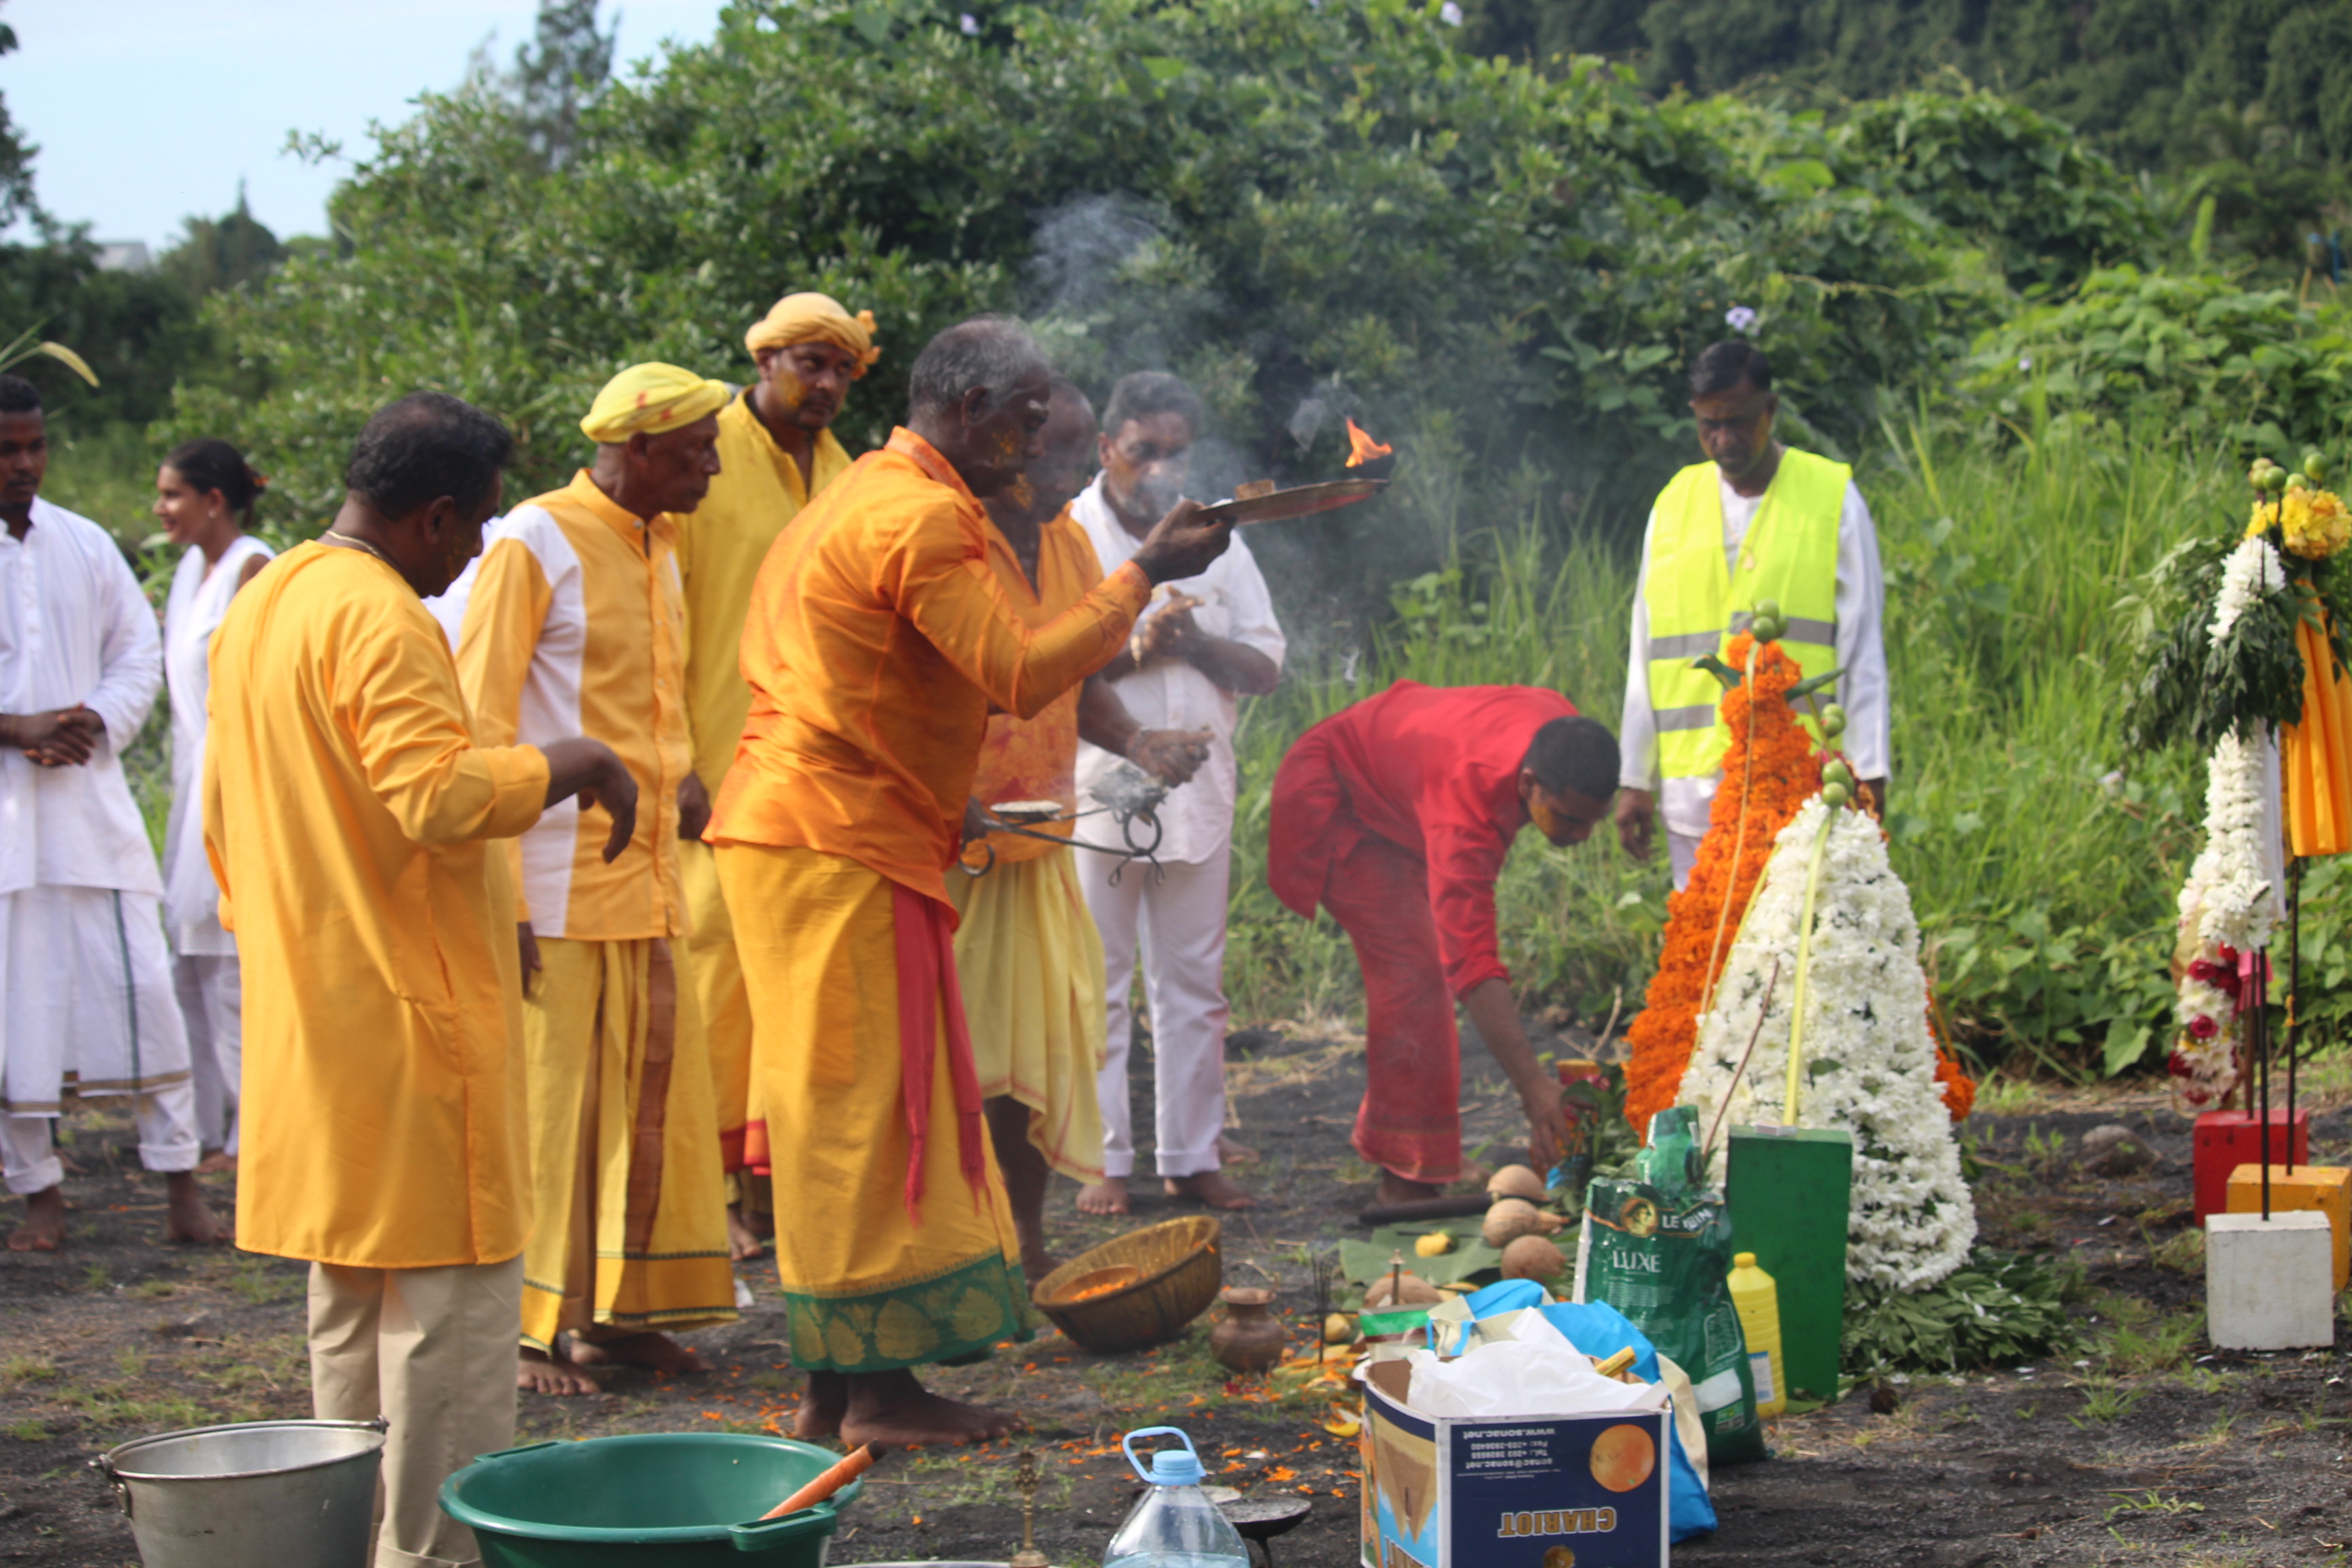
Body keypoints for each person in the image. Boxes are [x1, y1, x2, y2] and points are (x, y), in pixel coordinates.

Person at [705, 316, 1231, 1446]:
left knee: (839, 1111)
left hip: (821, 826)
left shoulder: (861, 494)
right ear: (975, 407)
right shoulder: (919, 513)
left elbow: (842, 678)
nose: (1044, 433)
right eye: (1033, 412)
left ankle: (836, 1386)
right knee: (861, 1119)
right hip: (831, 838)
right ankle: (875, 1394)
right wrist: (1146, 569)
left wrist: (941, 793)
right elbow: (1017, 669)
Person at [205, 391, 640, 1568]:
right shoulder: (382, 616)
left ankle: (346, 1537)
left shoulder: (271, 596)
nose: (476, 558)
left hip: (317, 1010)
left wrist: (311, 945)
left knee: (352, 1298)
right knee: (448, 1315)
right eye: (479, 528)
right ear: (435, 516)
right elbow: (436, 794)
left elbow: (223, 817)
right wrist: (576, 756)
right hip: (412, 1019)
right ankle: (433, 1553)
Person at [455, 364, 738, 1397]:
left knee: (647, 1100)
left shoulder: (663, 542)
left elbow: (656, 699)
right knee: (550, 1108)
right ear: (637, 449)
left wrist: (689, 774)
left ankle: (620, 1321)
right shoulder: (534, 537)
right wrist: (511, 900)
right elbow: (479, 726)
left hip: (649, 876)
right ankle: (527, 1334)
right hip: (552, 884)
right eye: (697, 448)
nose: (714, 462)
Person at [951, 376, 1209, 1285]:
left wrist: (1138, 739)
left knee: (1030, 1062)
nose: (1060, 473)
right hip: (953, 841)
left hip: (1040, 837)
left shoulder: (1061, 542)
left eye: (1068, 452)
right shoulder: (952, 536)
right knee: (960, 1065)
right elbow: (1001, 673)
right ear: (1001, 447)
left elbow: (1075, 675)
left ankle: (1023, 1243)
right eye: (1045, 453)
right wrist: (1147, 571)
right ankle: (961, 1249)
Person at [0, 374, 228, 1252]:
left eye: (34, 446)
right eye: (7, 449)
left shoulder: (84, 543)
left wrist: (89, 721)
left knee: (144, 992)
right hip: (10, 826)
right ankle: (42, 1201)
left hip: (91, 812)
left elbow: (138, 658)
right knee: (17, 1011)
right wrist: (18, 729)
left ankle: (181, 1188)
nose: (25, 464)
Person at [674, 292, 876, 1260]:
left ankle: (768, 1186)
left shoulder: (844, 472)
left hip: (809, 771)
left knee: (789, 980)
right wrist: (673, 758)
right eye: (808, 362)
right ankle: (703, 1194)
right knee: (712, 965)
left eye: (840, 369)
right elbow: (655, 614)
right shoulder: (699, 455)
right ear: (763, 360)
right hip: (710, 757)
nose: (825, 384)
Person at [1267, 685, 1620, 1202]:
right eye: (1570, 819)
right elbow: (1471, 962)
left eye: (1594, 820)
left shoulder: (1564, 733)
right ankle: (1406, 1175)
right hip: (1336, 798)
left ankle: (1427, 1149)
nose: (1584, 836)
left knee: (1426, 960)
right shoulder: (1466, 805)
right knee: (1417, 972)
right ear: (1528, 783)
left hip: (1404, 795)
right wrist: (1534, 1088)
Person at [1070, 372, 1285, 1217]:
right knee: (1101, 976)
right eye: (1140, 452)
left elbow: (1266, 666)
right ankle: (1103, 1160)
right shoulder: (1069, 535)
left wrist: (1192, 642)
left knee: (1195, 981)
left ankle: (1191, 1156)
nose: (1158, 471)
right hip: (1101, 780)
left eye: (1174, 453)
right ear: (1105, 450)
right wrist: (1138, 646)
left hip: (1198, 783)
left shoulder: (1218, 539)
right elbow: (1046, 671)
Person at [1614, 339, 1889, 887]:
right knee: (1708, 956)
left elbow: (1863, 650)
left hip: (1798, 783)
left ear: (1770, 409)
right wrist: (1634, 775)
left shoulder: (1833, 497)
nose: (1724, 439)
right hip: (1694, 793)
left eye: (1739, 422)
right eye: (1709, 424)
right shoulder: (1672, 504)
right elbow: (1646, 652)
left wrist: (1870, 769)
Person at [155, 439, 275, 1173]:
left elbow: (253, 695)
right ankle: (205, 1128)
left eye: (173, 495)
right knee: (190, 966)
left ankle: (252, 1135)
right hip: (188, 779)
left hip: (231, 777)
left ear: (214, 500)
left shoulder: (252, 567)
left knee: (232, 965)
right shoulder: (186, 574)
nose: (162, 509)